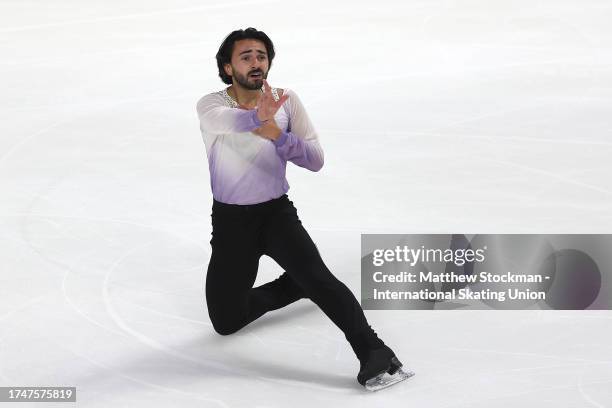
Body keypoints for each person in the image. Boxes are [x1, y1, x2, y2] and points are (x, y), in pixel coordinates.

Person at [195, 27, 411, 390]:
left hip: (276, 215)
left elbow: (315, 160)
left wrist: (279, 136)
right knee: (226, 321)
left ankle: (376, 354)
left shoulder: (286, 101)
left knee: (322, 281)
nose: (256, 62)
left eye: (261, 56)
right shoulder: (211, 105)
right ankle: (294, 285)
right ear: (228, 67)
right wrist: (256, 120)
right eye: (245, 56)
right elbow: (223, 122)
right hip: (232, 222)